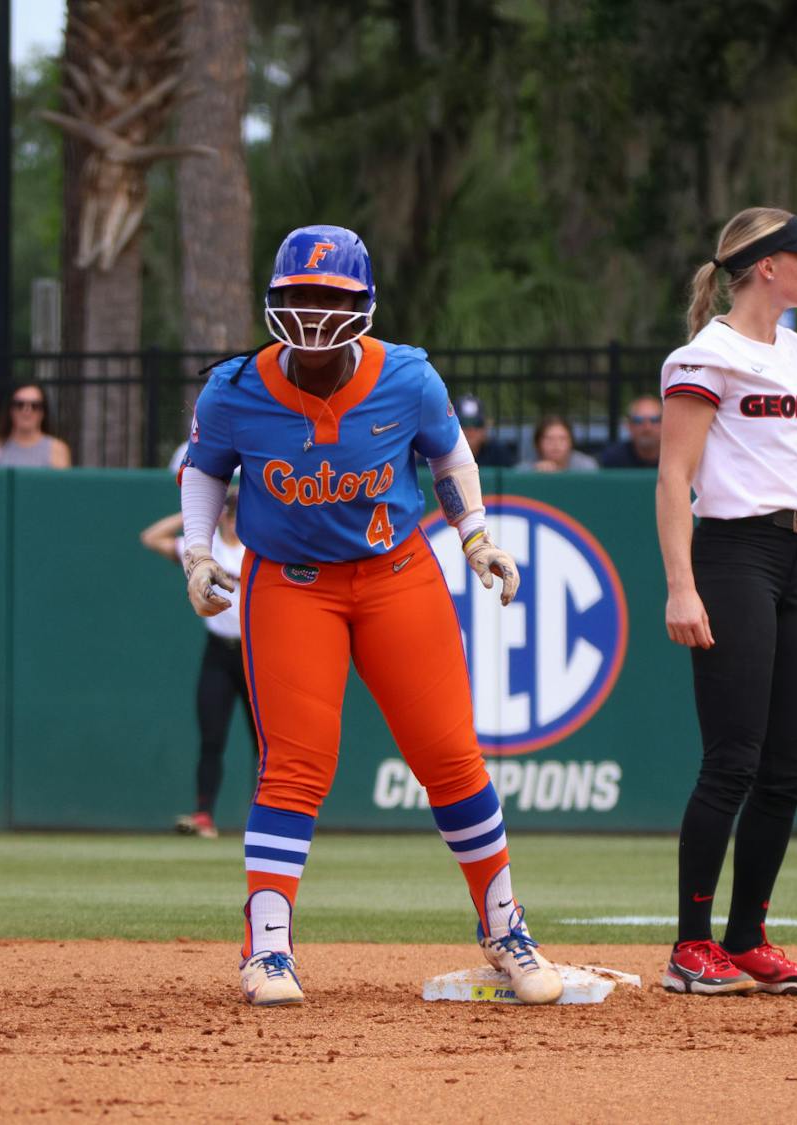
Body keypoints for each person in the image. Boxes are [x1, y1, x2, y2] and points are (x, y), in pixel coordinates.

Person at [179, 223, 562, 1008]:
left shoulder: (407, 376)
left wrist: (476, 534)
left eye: (332, 296)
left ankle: (504, 927)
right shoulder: (233, 388)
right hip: (290, 582)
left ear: (365, 302)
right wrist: (195, 550)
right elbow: (205, 470)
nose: (315, 311)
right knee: (294, 763)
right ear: (274, 300)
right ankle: (268, 948)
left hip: (395, 575)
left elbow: (449, 456)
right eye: (300, 296)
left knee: (451, 754)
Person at [656, 206, 797, 998]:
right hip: (732, 557)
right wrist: (681, 583)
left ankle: (748, 937)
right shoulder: (706, 355)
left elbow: (792, 451)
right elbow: (673, 478)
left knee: (788, 765)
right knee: (732, 759)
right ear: (766, 266)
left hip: (795, 556)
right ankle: (690, 946)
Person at [139, 485, 257, 839]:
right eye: (229, 513)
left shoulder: (256, 549)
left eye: (237, 513)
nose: (233, 520)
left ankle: (268, 818)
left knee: (266, 744)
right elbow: (150, 537)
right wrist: (197, 516)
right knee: (212, 735)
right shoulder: (206, 550)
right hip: (219, 651)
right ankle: (204, 815)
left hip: (256, 652)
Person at [0, 383, 72, 468]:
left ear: (43, 412)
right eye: (20, 405)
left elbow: (62, 487)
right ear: (10, 410)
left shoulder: (57, 449)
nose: (27, 411)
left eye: (35, 406)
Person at [517, 414, 599, 472]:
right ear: (537, 443)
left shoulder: (586, 467)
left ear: (571, 442)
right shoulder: (525, 471)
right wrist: (535, 474)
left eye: (562, 439)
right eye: (549, 439)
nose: (556, 444)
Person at [600, 395, 664, 468]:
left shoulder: (675, 457)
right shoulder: (611, 459)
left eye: (654, 420)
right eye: (638, 420)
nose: (647, 428)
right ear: (629, 425)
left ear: (665, 423)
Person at [453, 394, 516, 467]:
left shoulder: (499, 453)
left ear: (485, 427)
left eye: (477, 423)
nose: (471, 429)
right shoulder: (442, 454)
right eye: (463, 423)